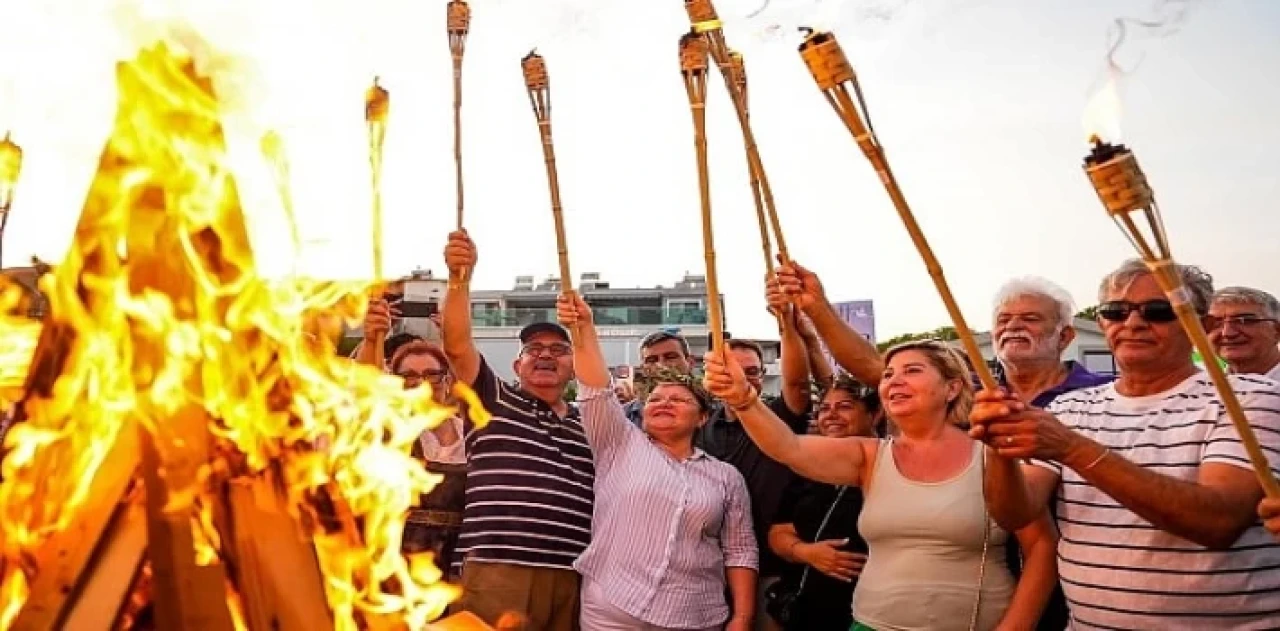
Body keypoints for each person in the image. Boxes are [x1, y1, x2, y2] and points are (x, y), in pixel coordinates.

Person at [971, 259, 1280, 629]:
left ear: (1203, 324)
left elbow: (1217, 522)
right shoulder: (1070, 407)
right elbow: (1016, 513)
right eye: (1116, 311)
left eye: (1158, 311)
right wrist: (998, 446)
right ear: (1102, 323)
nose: (1133, 323)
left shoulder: (1249, 397)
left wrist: (1072, 448)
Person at [704, 339, 1057, 630]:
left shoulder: (996, 451)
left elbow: (1042, 546)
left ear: (952, 387)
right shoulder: (871, 455)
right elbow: (788, 447)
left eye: (912, 371)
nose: (894, 381)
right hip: (871, 624)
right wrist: (743, 399)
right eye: (888, 375)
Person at [557, 293, 757, 631]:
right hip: (612, 610)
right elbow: (594, 388)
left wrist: (742, 616)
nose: (664, 403)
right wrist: (583, 329)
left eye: (678, 399)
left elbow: (740, 550)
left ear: (703, 417)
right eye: (656, 399)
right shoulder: (619, 443)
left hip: (695, 614)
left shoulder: (726, 477)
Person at [440, 230, 593, 631]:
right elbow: (456, 345)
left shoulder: (591, 421)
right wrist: (459, 280)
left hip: (573, 574)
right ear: (516, 366)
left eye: (558, 350)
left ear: (574, 366)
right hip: (496, 572)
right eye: (533, 350)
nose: (545, 355)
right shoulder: (492, 399)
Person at [766, 374, 880, 630]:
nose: (831, 415)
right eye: (825, 408)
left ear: (874, 415)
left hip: (868, 616)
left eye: (845, 406)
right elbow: (779, 532)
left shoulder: (893, 466)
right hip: (800, 611)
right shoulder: (806, 468)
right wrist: (806, 553)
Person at [388, 340, 467, 579]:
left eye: (432, 375)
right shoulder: (389, 432)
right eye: (409, 376)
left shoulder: (473, 434)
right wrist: (372, 339)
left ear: (448, 381)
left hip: (461, 560)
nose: (422, 384)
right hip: (403, 561)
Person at [1208, 286, 1280, 380]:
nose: (1227, 333)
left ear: (1276, 330)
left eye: (1244, 321)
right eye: (1215, 323)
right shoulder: (1201, 389)